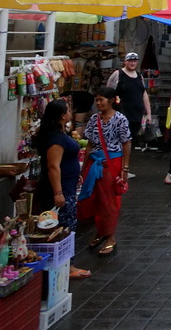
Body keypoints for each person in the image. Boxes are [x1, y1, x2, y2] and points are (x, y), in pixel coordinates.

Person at [33, 99, 90, 279]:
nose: (70, 112)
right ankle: (68, 266)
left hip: (68, 185)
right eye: (68, 110)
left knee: (68, 225)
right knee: (64, 226)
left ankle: (66, 264)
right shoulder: (56, 139)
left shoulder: (57, 134)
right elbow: (53, 166)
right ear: (61, 115)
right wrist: (58, 192)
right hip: (60, 190)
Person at [77, 87, 132, 257]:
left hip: (112, 163)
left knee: (109, 201)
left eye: (101, 100)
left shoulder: (120, 119)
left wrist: (125, 168)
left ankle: (111, 237)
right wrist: (83, 167)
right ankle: (101, 231)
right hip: (94, 162)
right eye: (97, 100)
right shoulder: (94, 119)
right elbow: (90, 145)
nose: (98, 103)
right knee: (93, 199)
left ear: (111, 100)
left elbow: (126, 143)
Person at [106, 53, 151, 162]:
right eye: (130, 61)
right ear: (125, 62)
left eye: (135, 61)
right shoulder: (118, 74)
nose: (132, 63)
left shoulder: (139, 76)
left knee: (130, 140)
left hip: (136, 115)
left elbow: (144, 94)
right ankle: (116, 164)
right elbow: (108, 92)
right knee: (119, 140)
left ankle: (125, 166)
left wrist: (148, 113)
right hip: (121, 113)